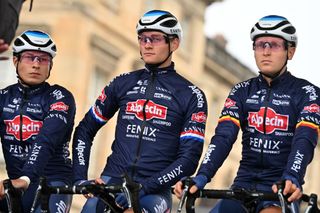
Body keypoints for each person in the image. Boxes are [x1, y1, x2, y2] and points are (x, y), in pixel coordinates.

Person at [174, 15, 320, 213]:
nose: (266, 52)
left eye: (275, 45)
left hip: (280, 188)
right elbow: (223, 137)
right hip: (242, 186)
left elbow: (305, 139)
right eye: (260, 45)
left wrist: (292, 176)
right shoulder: (242, 91)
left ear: (290, 51)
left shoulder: (307, 93)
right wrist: (202, 175)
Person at [72, 9, 208, 213]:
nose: (147, 44)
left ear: (175, 43)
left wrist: (147, 187)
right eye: (142, 38)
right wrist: (81, 178)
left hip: (154, 189)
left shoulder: (191, 94)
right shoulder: (123, 82)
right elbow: (85, 130)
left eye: (155, 38)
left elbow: (188, 159)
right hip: (112, 179)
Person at [0, 30, 75, 213]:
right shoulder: (3, 98)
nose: (36, 64)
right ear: (15, 61)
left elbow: (46, 140)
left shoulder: (60, 98)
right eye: (29, 57)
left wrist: (26, 178)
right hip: (16, 185)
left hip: (53, 184)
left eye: (43, 59)